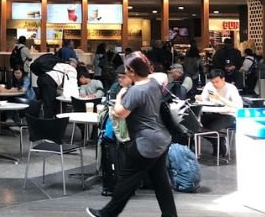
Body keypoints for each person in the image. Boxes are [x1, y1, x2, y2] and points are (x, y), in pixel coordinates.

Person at [86, 52, 177, 217]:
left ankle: (108, 213)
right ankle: (170, 214)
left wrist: (121, 95)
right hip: (162, 139)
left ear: (132, 71)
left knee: (127, 179)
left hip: (145, 143)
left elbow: (119, 113)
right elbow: (162, 75)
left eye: (127, 70)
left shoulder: (136, 91)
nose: (125, 74)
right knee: (160, 180)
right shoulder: (154, 83)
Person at [194, 69, 243, 157]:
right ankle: (219, 142)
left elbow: (238, 106)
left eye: (217, 81)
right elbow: (203, 99)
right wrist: (199, 98)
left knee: (210, 128)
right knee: (197, 126)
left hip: (229, 115)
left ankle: (220, 146)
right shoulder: (209, 86)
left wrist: (220, 98)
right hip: (214, 113)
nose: (215, 84)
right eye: (213, 82)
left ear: (223, 79)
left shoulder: (231, 88)